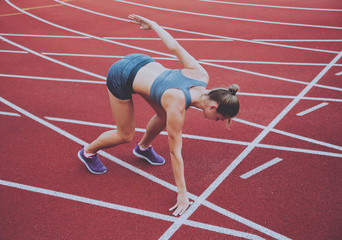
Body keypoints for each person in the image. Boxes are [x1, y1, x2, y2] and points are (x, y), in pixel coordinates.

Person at [78, 14, 240, 216]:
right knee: (125, 135)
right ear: (213, 107)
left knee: (162, 117)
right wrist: (182, 193)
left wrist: (154, 25)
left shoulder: (201, 75)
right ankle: (88, 151)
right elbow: (175, 152)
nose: (218, 122)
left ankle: (143, 148)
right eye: (220, 119)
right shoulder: (177, 103)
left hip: (142, 60)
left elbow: (175, 47)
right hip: (121, 75)